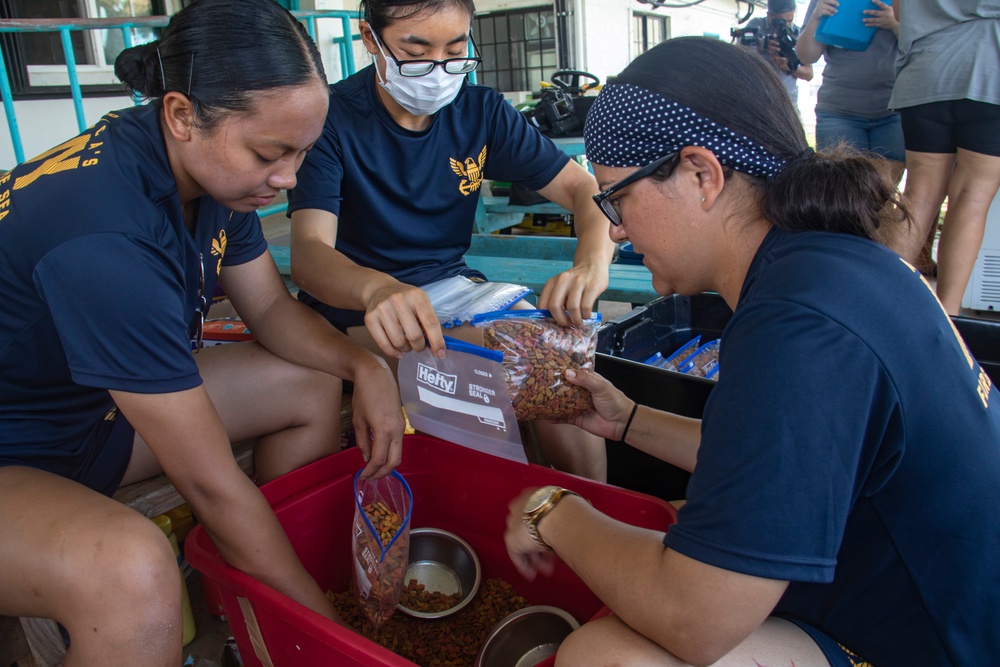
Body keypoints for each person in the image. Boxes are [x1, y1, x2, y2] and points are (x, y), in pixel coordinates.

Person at [503, 36, 1000, 666]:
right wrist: (628, 421)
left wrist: (552, 508)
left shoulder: (800, 326)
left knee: (602, 656)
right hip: (914, 591)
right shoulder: (830, 265)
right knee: (671, 521)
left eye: (616, 197)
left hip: (940, 644)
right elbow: (773, 459)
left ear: (702, 174)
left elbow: (695, 619)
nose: (618, 231)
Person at [0, 1, 406, 664]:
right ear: (183, 114)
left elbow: (271, 313)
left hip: (87, 414)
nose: (288, 180)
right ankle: (287, 612)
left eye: (303, 153)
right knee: (133, 575)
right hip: (16, 452)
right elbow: (213, 483)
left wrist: (366, 368)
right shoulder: (106, 236)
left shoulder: (210, 174)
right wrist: (336, 634)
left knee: (310, 379)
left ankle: (253, 601)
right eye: (270, 154)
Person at [287, 0, 615, 480]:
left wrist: (591, 264)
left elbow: (584, 189)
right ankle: (520, 513)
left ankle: (593, 515)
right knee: (515, 364)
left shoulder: (478, 110)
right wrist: (376, 289)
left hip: (455, 289)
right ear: (369, 38)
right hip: (359, 309)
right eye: (416, 53)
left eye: (456, 51)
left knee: (563, 361)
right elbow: (310, 255)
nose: (439, 71)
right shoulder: (332, 120)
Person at [885, 0, 1000, 315]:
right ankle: (948, 319)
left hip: (926, 69)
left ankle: (883, 308)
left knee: (918, 195)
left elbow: (898, 11)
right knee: (971, 198)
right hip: (990, 68)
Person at [795, 0, 905, 184]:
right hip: (839, 110)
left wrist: (893, 24)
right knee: (842, 189)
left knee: (884, 193)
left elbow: (925, 47)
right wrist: (816, 17)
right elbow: (806, 56)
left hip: (893, 109)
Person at [742, 0, 814, 108]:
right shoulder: (756, 26)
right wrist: (759, 47)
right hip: (756, 98)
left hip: (786, 102)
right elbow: (738, 57)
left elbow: (809, 74)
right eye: (778, 22)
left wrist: (790, 67)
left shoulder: (798, 35)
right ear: (769, 16)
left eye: (788, 21)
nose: (784, 26)